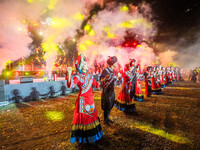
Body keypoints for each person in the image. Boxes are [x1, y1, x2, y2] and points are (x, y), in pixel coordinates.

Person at [65, 54, 103, 144]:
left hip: (90, 100)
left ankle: (92, 136)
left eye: (86, 62)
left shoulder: (90, 75)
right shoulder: (78, 77)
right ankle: (84, 138)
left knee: (91, 117)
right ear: (81, 66)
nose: (87, 64)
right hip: (83, 102)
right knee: (85, 119)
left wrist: (103, 83)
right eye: (84, 63)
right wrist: (69, 74)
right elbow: (70, 85)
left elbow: (96, 84)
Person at [100, 56, 118, 125]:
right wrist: (105, 79)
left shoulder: (112, 71)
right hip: (107, 91)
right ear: (113, 63)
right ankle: (105, 119)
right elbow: (101, 79)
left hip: (111, 90)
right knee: (107, 105)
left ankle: (107, 118)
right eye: (116, 63)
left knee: (111, 104)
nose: (116, 64)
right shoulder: (106, 70)